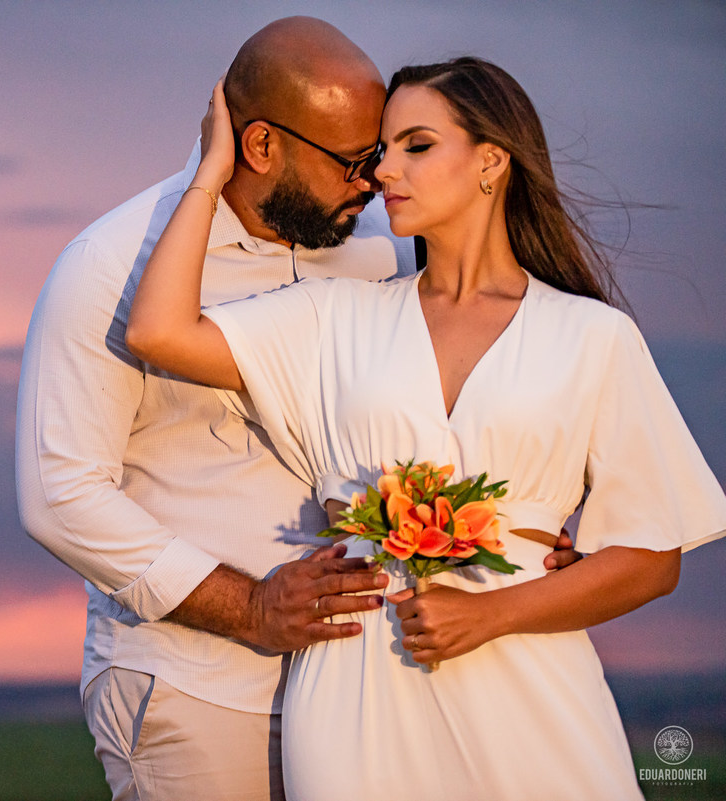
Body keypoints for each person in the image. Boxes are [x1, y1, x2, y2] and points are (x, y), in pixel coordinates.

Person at [125, 58, 726, 801]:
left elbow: (652, 558)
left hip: (529, 681)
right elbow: (158, 331)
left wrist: (490, 613)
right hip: (356, 684)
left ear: (491, 161)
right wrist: (211, 174)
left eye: (416, 146)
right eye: (382, 152)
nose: (384, 171)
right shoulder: (336, 316)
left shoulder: (593, 337)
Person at [17, 19, 579, 801]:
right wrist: (250, 606)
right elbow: (61, 495)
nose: (374, 180)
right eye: (354, 160)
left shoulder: (385, 248)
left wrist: (521, 528)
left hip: (375, 686)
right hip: (197, 688)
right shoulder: (109, 266)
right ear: (259, 146)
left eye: (380, 153)